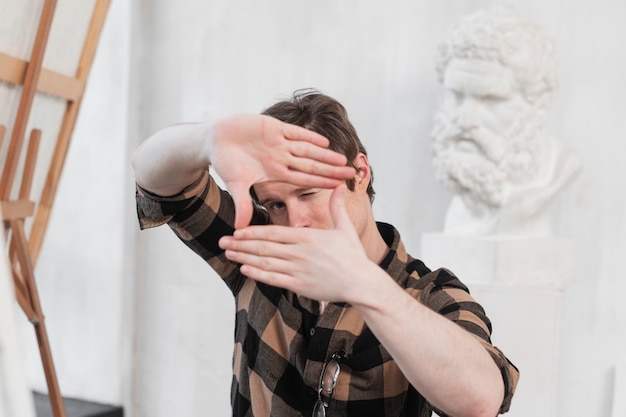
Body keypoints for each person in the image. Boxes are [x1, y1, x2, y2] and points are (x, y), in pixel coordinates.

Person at [133, 90, 518, 417]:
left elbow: (481, 399)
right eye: (276, 204)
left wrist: (364, 285)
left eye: (307, 193)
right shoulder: (260, 249)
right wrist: (206, 139)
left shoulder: (428, 292)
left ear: (359, 173)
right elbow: (154, 180)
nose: (295, 222)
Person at [432, 6, 581, 237]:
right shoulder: (460, 200)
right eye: (456, 95)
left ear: (536, 106)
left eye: (490, 98)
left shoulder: (560, 169)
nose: (464, 120)